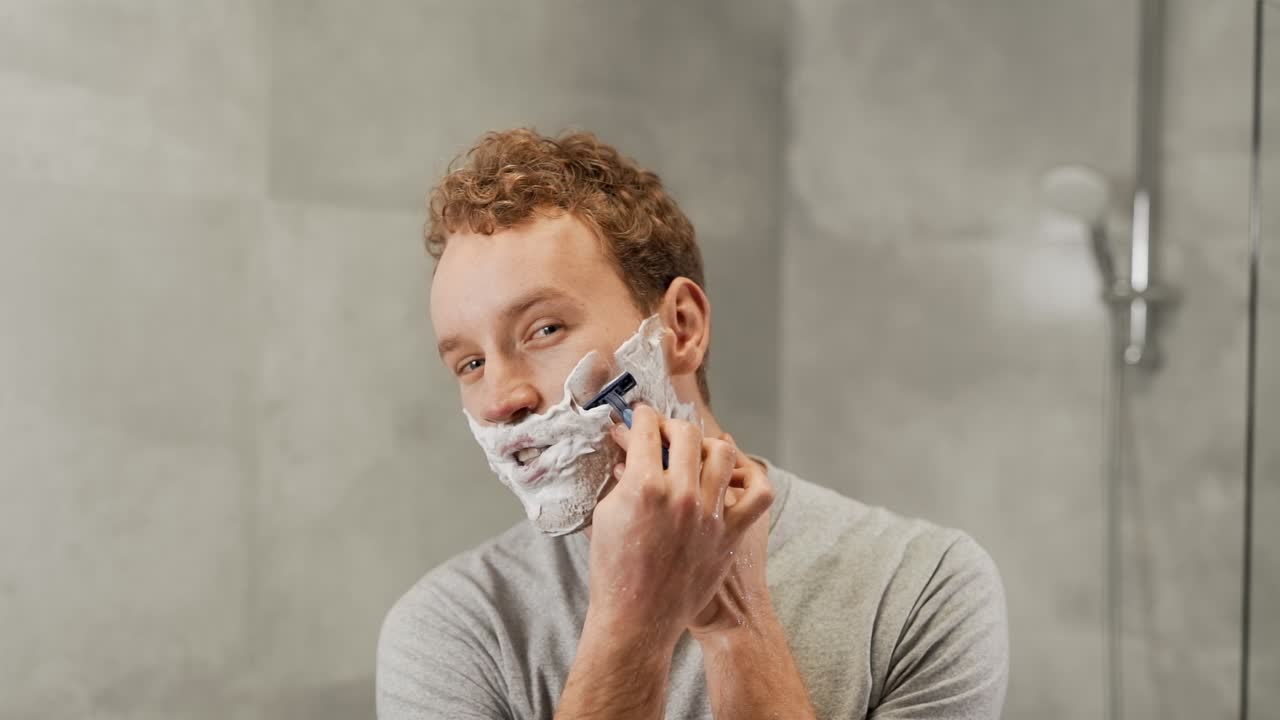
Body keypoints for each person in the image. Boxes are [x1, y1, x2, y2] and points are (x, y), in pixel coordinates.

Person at [376, 128, 1009, 719]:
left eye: (544, 329)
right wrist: (632, 622)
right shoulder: (449, 629)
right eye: (470, 362)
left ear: (681, 327)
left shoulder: (922, 587)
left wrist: (739, 625)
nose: (499, 398)